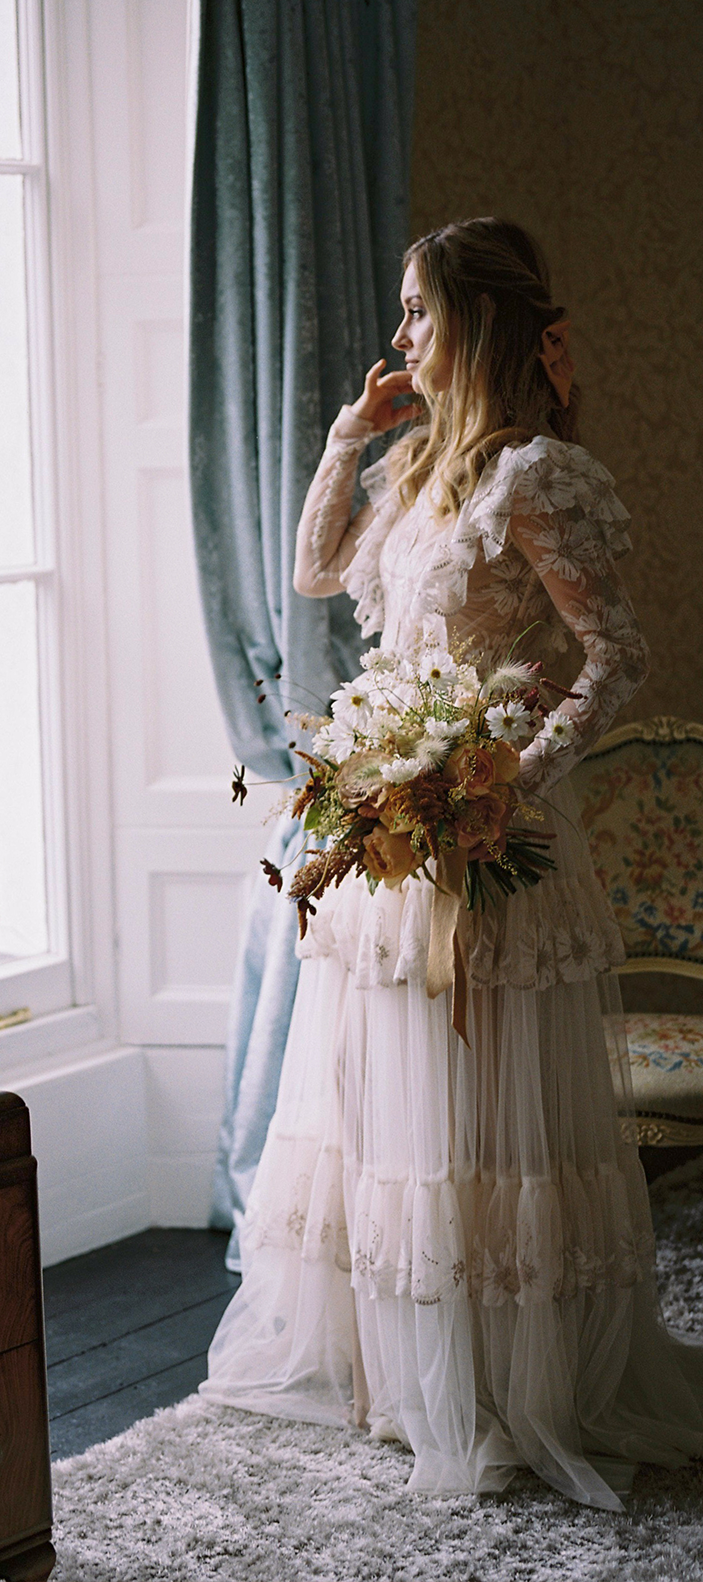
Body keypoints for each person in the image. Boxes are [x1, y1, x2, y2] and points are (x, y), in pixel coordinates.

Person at [199, 217, 703, 1508]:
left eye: (416, 314)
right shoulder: (418, 465)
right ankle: (399, 1370)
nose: (399, 338)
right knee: (385, 1106)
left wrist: (504, 782)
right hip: (392, 833)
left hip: (484, 835)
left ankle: (508, 1379)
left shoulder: (537, 474)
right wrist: (346, 437)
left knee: (479, 1116)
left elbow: (614, 656)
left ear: (474, 322)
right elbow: (314, 571)